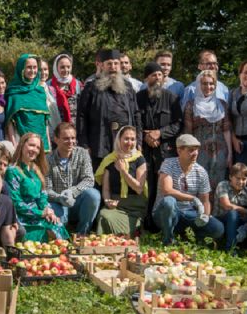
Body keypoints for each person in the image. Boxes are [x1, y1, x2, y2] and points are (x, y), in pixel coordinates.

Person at [153, 134, 224, 245]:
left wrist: (205, 216)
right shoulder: (168, 163)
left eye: (196, 150)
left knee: (218, 228)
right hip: (166, 214)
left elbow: (205, 201)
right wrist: (193, 198)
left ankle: (193, 239)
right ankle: (168, 239)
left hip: (189, 213)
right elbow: (167, 190)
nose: (195, 153)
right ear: (179, 151)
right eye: (191, 150)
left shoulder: (201, 171)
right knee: (169, 201)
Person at [76, 49, 141, 167]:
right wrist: (84, 144)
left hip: (125, 143)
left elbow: (136, 114)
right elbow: (81, 117)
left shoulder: (128, 87)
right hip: (99, 143)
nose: (113, 67)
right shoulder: (91, 88)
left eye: (116, 63)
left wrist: (138, 140)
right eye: (109, 64)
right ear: (102, 65)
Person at [136, 61, 182, 228]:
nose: (157, 78)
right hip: (144, 149)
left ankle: (161, 223)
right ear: (146, 78)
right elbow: (135, 121)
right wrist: (144, 136)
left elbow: (178, 124)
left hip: (165, 150)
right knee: (145, 184)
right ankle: (144, 222)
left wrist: (160, 133)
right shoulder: (138, 98)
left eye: (160, 75)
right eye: (153, 75)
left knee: (163, 186)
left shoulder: (172, 98)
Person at [4, 133, 69, 241]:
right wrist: (41, 213)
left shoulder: (36, 170)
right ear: (22, 145)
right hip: (22, 218)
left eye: (38, 147)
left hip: (40, 215)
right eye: (31, 145)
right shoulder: (12, 171)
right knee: (45, 235)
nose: (34, 149)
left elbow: (42, 196)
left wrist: (48, 211)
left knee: (57, 226)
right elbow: (16, 203)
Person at [44, 123, 100, 234]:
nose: (70, 141)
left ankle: (82, 233)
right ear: (56, 139)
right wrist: (59, 197)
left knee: (93, 195)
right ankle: (61, 235)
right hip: (58, 202)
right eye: (66, 138)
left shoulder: (82, 153)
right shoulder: (48, 159)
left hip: (78, 201)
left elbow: (89, 179)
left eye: (73, 138)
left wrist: (72, 191)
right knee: (57, 225)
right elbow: (47, 189)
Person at [183, 70, 232, 190]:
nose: (208, 87)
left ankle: (219, 204)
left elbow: (226, 130)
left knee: (220, 186)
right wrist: (189, 153)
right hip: (199, 153)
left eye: (211, 84)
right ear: (199, 85)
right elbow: (188, 132)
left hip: (220, 153)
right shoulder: (191, 105)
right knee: (200, 186)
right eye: (204, 83)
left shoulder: (222, 105)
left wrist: (230, 153)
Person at [94, 125, 147, 235]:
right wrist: (107, 201)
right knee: (104, 216)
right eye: (126, 139)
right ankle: (111, 241)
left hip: (135, 206)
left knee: (130, 227)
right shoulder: (110, 160)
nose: (129, 142)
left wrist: (123, 171)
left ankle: (131, 233)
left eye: (133, 139)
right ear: (119, 140)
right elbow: (106, 189)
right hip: (117, 205)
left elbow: (139, 188)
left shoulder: (139, 159)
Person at [5, 54, 52, 151]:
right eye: (29, 67)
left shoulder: (40, 91)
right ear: (21, 69)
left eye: (35, 67)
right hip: (21, 142)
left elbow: (45, 122)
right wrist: (14, 146)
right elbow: (10, 123)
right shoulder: (13, 92)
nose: (33, 70)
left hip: (42, 144)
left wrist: (48, 143)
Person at [213, 163, 247, 252]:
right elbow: (227, 206)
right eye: (238, 178)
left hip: (237, 222)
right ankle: (230, 248)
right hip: (220, 219)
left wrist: (246, 225)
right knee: (233, 213)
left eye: (244, 179)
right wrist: (244, 210)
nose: (241, 182)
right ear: (230, 177)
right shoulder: (223, 185)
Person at [48, 53, 82, 125]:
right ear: (56, 68)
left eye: (68, 67)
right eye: (62, 67)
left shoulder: (77, 84)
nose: (66, 70)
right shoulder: (49, 85)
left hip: (74, 127)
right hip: (56, 127)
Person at [39, 59, 62, 130]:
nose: (43, 72)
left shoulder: (51, 89)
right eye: (40, 70)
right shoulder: (33, 91)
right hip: (43, 130)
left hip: (55, 129)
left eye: (45, 69)